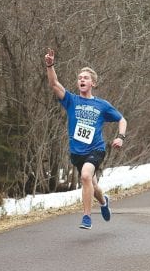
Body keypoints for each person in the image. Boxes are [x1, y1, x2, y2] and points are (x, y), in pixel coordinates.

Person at [45, 48, 127, 229]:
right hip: (77, 152)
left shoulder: (102, 105)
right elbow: (54, 84)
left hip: (96, 149)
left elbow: (122, 119)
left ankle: (87, 217)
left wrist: (120, 137)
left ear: (93, 84)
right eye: (80, 77)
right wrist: (50, 65)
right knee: (93, 185)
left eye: (86, 78)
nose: (82, 79)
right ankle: (104, 202)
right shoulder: (71, 100)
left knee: (85, 176)